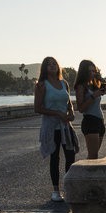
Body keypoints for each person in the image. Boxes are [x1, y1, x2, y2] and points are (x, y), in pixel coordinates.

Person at [34, 56, 79, 202]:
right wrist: (57, 114)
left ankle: (68, 187)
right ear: (44, 68)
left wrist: (71, 112)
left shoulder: (63, 83)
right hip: (51, 127)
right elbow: (38, 108)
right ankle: (56, 191)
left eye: (54, 63)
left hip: (65, 126)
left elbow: (69, 102)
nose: (52, 66)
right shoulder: (42, 85)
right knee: (55, 158)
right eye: (48, 64)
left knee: (70, 156)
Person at [74, 60, 106, 159]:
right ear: (84, 72)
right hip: (90, 121)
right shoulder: (81, 86)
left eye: (94, 71)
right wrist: (93, 96)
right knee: (93, 156)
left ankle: (85, 173)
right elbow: (80, 108)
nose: (92, 73)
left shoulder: (95, 85)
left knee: (94, 156)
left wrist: (101, 79)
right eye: (90, 71)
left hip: (100, 121)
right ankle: (84, 173)